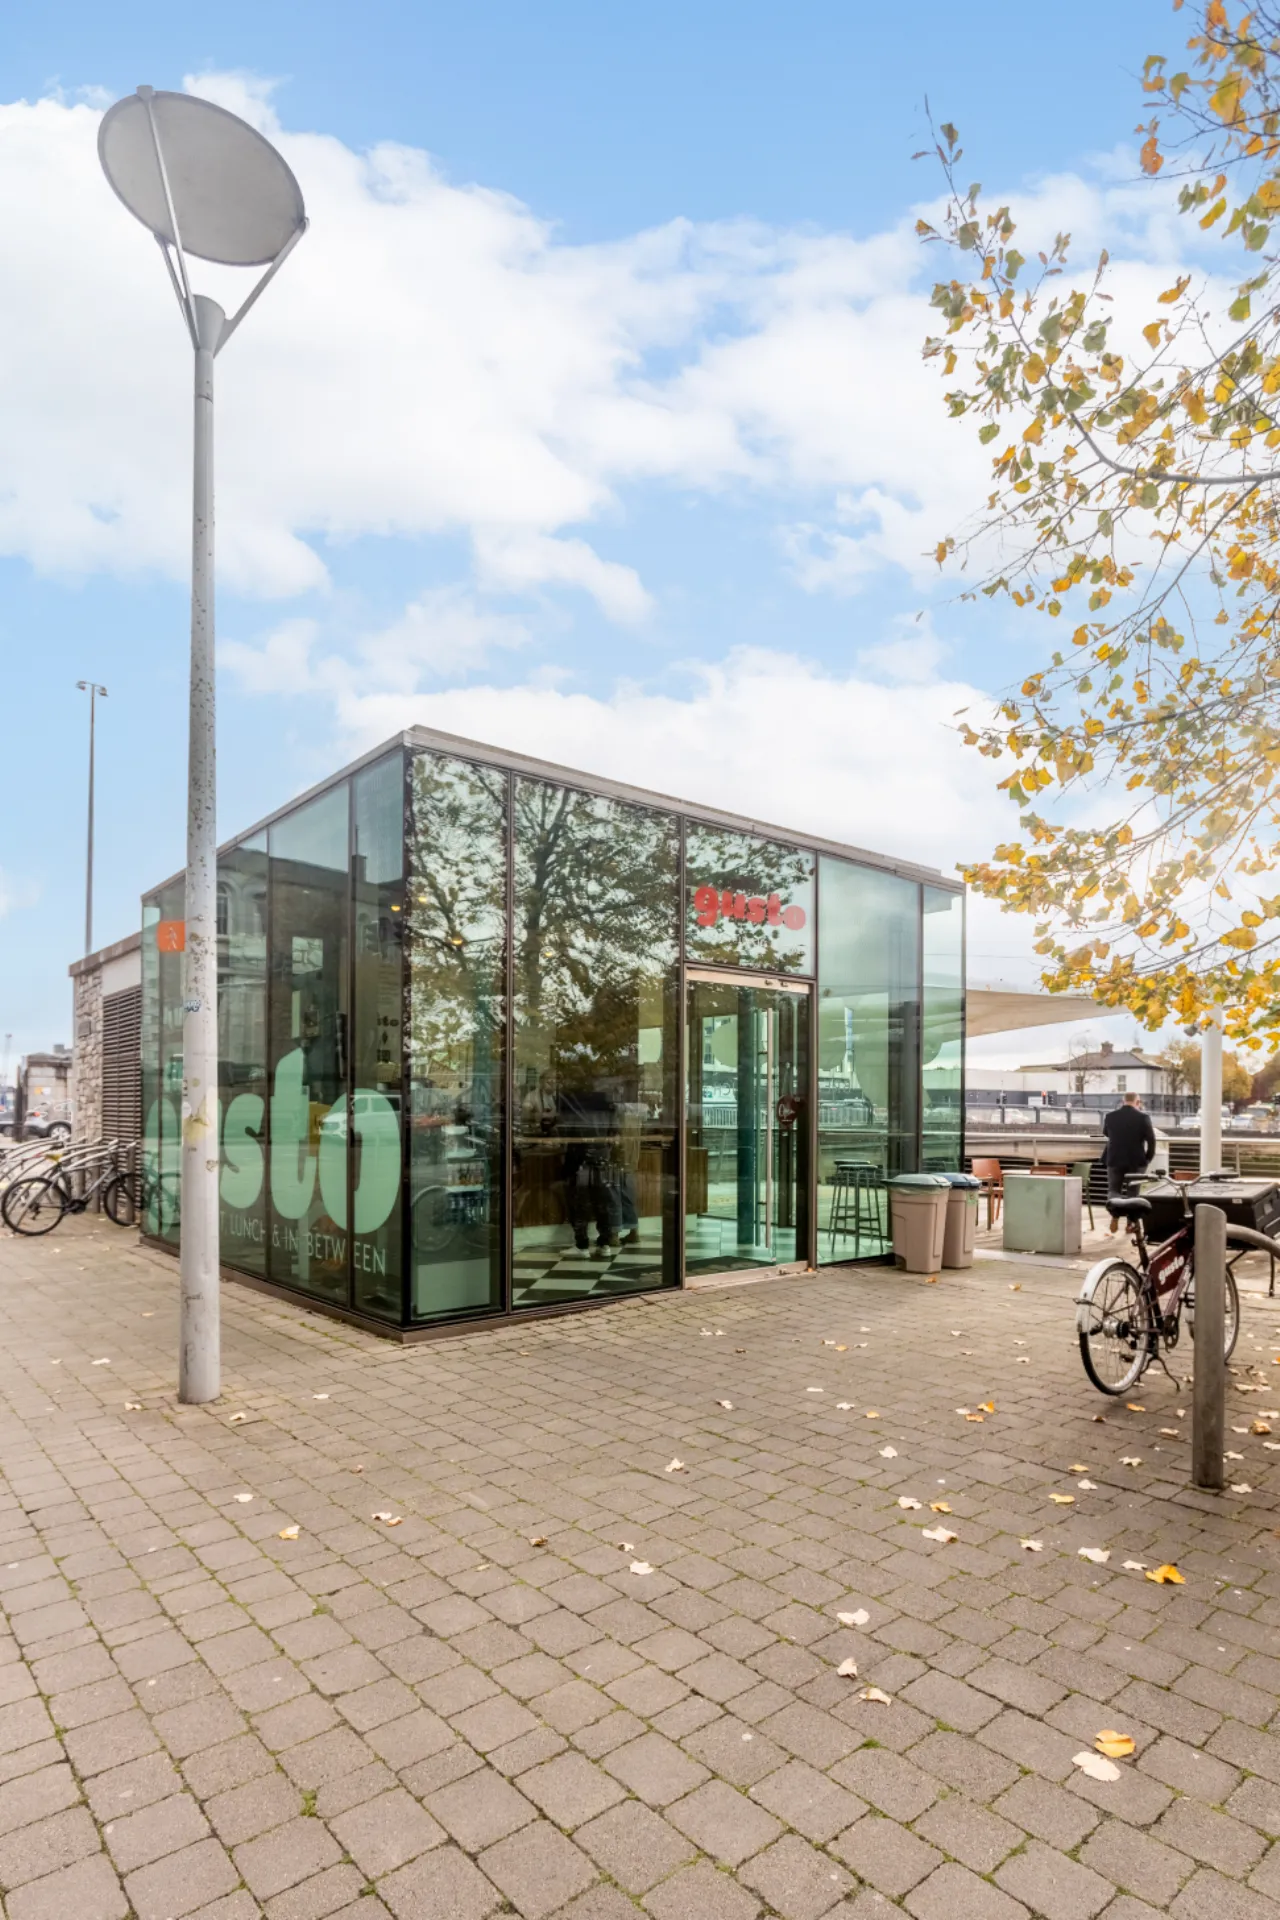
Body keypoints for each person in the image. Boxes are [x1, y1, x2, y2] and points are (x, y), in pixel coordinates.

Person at [1101, 1091, 1157, 1232]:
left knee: (1114, 1190)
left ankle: (1115, 1215)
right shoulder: (1143, 1117)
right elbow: (1151, 1140)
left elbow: (1106, 1133)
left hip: (1114, 1158)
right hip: (1136, 1160)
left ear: (1123, 1101)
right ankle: (1130, 1223)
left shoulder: (1110, 1116)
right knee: (1133, 1192)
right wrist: (1148, 1158)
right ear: (1138, 1102)